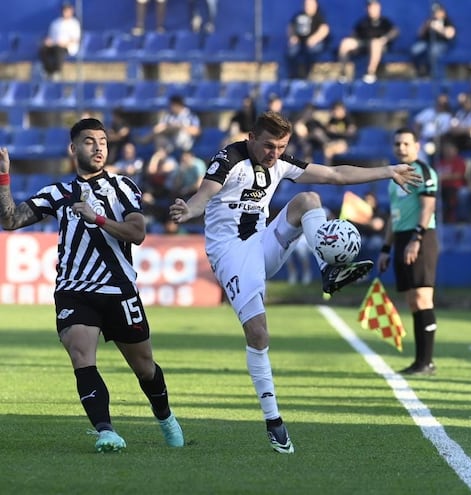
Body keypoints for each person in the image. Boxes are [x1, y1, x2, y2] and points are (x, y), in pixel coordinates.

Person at [168, 111, 422, 453]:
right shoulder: (229, 157)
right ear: (251, 138)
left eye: (281, 147)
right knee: (258, 334)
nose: (274, 153)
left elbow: (334, 174)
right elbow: (206, 193)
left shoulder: (281, 162)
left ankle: (329, 270)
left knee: (309, 200)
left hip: (262, 244)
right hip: (231, 254)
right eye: (269, 146)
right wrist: (190, 210)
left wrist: (388, 171)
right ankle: (274, 422)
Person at [0, 118, 184, 452]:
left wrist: (97, 218)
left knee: (144, 367)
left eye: (102, 141)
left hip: (119, 290)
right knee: (82, 356)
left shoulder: (123, 187)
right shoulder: (58, 192)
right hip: (75, 289)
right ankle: (106, 431)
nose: (98, 147)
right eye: (89, 141)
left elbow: (137, 233)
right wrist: (3, 177)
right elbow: (11, 219)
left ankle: (165, 416)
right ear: (73, 149)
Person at [377, 127, 439, 376]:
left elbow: (428, 207)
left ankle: (427, 362)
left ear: (417, 146)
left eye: (405, 143)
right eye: (397, 144)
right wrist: (386, 247)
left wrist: (417, 238)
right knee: (413, 301)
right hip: (402, 239)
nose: (401, 148)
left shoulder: (423, 171)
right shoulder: (395, 177)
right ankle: (420, 361)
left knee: (423, 299)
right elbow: (394, 217)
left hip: (420, 237)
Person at [337, 0, 399, 84]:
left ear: (378, 8)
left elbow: (395, 31)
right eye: (370, 7)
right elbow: (354, 35)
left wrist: (384, 39)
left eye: (374, 7)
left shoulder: (385, 21)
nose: (371, 9)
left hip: (379, 46)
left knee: (375, 43)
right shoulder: (363, 22)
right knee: (345, 43)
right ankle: (343, 74)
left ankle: (370, 73)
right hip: (364, 44)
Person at [286, 0, 330, 79]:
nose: (308, 6)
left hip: (315, 44)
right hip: (300, 43)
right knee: (291, 52)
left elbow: (325, 29)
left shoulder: (318, 17)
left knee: (311, 51)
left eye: (310, 4)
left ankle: (306, 75)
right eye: (306, 4)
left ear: (315, 5)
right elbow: (291, 27)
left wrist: (314, 39)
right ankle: (292, 76)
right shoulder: (298, 16)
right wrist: (293, 37)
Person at [410, 2, 456, 79]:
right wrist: (426, 27)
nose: (436, 14)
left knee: (433, 51)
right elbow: (419, 34)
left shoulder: (447, 21)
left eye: (438, 12)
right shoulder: (429, 21)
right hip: (427, 43)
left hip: (441, 44)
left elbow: (450, 35)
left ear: (442, 12)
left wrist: (439, 29)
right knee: (415, 50)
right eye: (434, 12)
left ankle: (433, 75)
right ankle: (421, 72)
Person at [38, 2, 81, 79]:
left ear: (71, 11)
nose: (66, 12)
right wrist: (48, 42)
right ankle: (48, 72)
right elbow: (51, 37)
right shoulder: (55, 23)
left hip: (68, 47)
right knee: (43, 49)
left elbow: (76, 39)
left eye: (68, 10)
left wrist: (64, 43)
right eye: (64, 10)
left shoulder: (74, 23)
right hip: (54, 45)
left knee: (58, 50)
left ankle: (56, 72)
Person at [434, 138, 467, 223]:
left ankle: (451, 219)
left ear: (455, 150)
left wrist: (443, 177)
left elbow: (458, 175)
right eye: (446, 148)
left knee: (450, 196)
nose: (447, 151)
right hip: (440, 188)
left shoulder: (458, 161)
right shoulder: (439, 162)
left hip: (454, 188)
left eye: (450, 148)